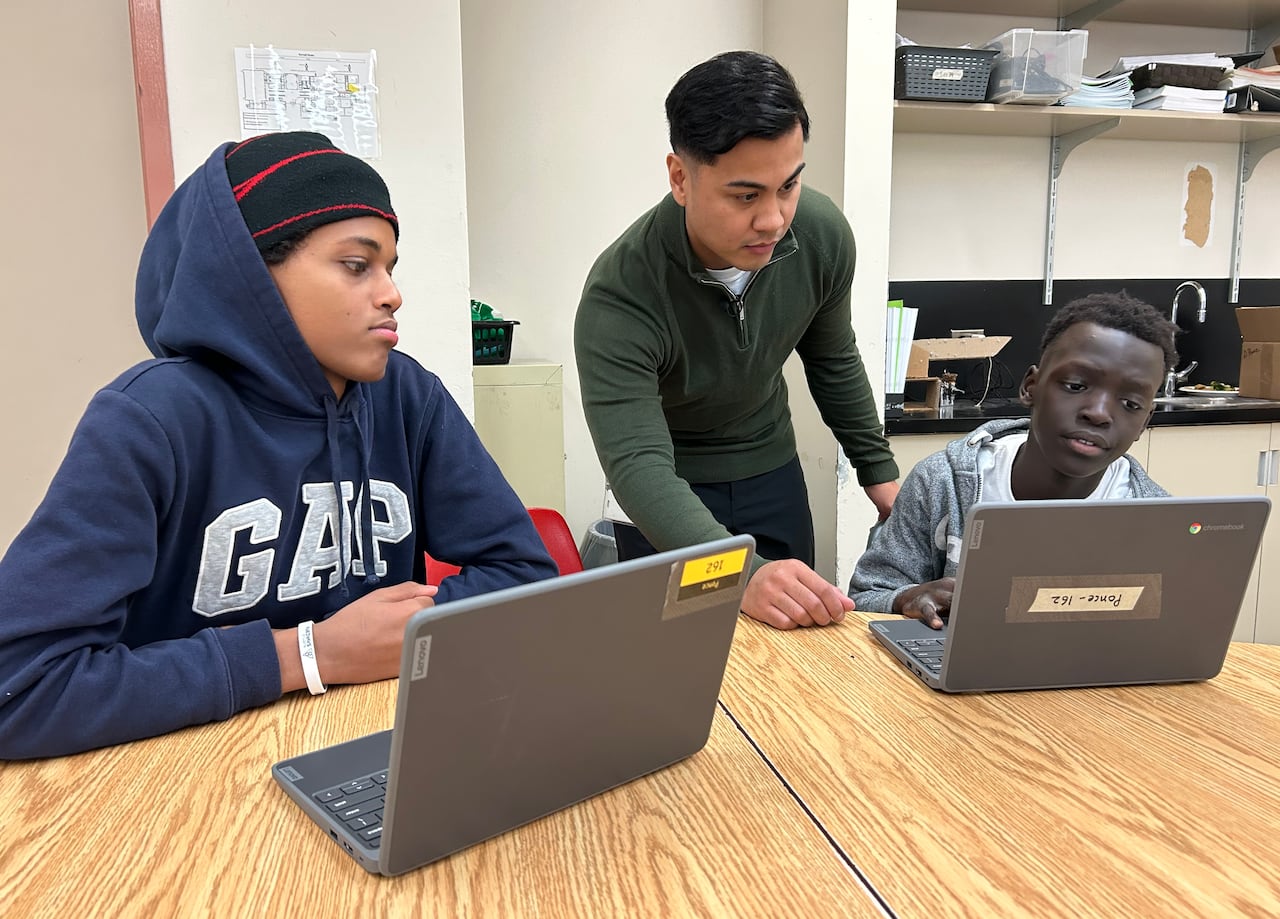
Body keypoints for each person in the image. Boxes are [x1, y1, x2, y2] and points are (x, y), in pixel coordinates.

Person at [0, 132, 558, 759]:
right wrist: (307, 655)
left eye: (390, 269)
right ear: (250, 276)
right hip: (181, 775)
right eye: (357, 265)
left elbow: (524, 577)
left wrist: (404, 630)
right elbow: (20, 688)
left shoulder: (407, 396)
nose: (392, 294)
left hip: (374, 750)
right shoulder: (149, 419)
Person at [574, 50, 899, 632]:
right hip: (668, 494)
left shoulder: (820, 235)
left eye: (789, 185)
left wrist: (881, 475)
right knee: (674, 668)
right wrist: (742, 573)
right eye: (746, 196)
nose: (774, 219)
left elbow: (832, 355)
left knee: (796, 654)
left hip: (770, 472)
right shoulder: (621, 294)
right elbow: (639, 464)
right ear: (680, 178)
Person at [850, 292, 1177, 628]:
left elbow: (1171, 632)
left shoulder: (1157, 519)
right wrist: (906, 599)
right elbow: (865, 598)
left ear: (1145, 422)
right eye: (1077, 385)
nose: (1098, 413)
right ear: (1030, 388)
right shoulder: (941, 483)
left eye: (1131, 404)